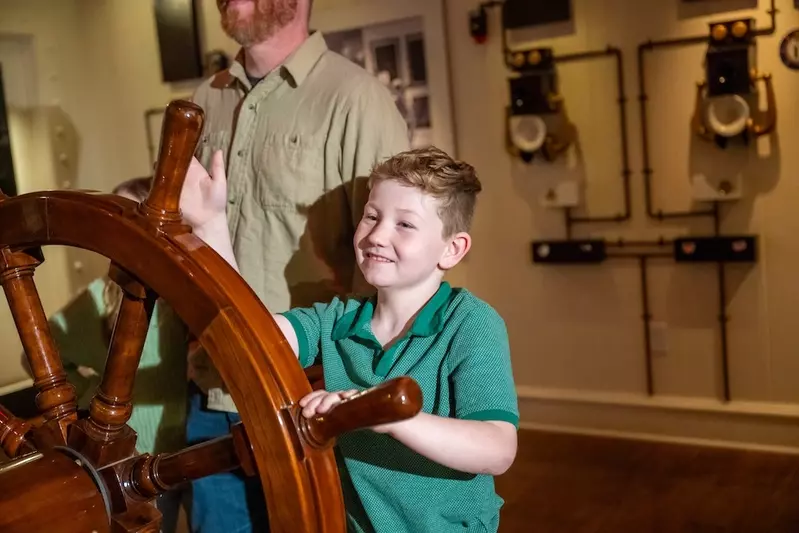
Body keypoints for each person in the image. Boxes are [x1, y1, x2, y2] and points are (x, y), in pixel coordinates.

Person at [180, 146, 520, 533]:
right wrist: (210, 226)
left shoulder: (472, 323)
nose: (376, 235)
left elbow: (498, 448)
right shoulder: (337, 319)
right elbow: (250, 335)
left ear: (452, 249)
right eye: (371, 216)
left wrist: (386, 415)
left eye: (404, 225)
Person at [186, 0, 409, 530]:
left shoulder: (359, 102)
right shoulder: (205, 99)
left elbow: (393, 271)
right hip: (212, 387)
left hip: (309, 397)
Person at [39, 177, 190, 533]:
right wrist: (89, 388)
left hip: (195, 446)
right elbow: (39, 354)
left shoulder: (183, 295)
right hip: (135, 463)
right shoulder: (99, 299)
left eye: (129, 222)